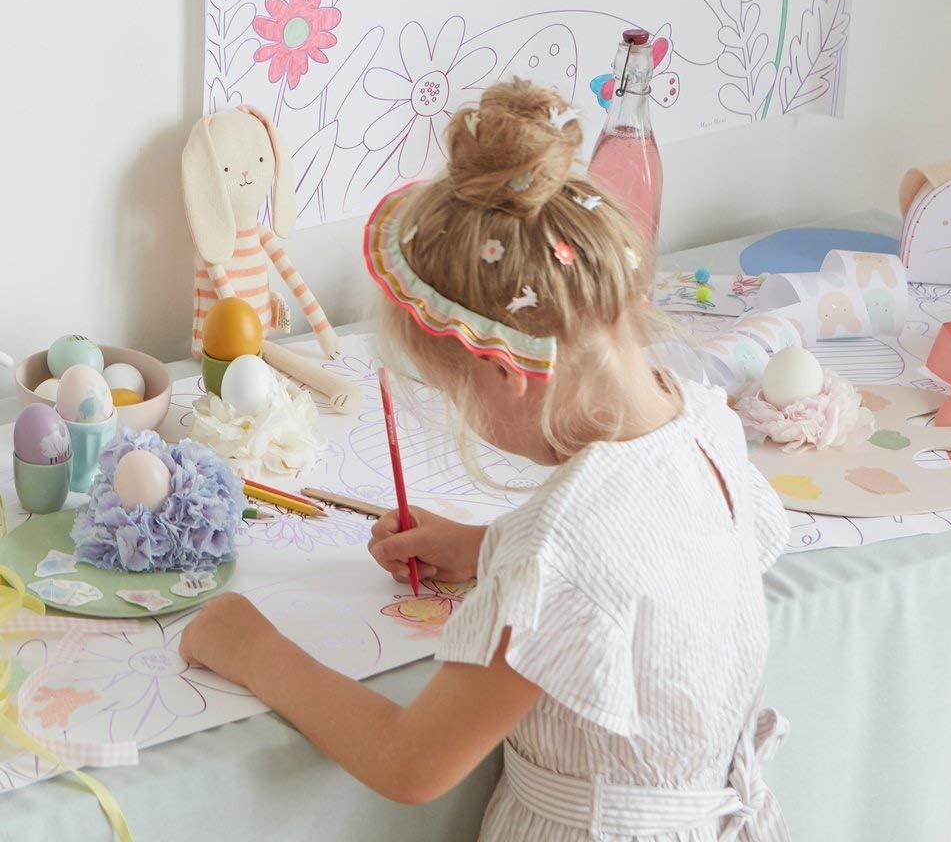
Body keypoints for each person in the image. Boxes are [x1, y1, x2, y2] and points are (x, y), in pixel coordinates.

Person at [180, 78, 791, 840]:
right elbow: (648, 574)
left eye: (452, 394)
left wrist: (252, 649)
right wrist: (485, 551)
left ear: (507, 372)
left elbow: (411, 762)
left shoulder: (559, 551)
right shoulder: (706, 428)